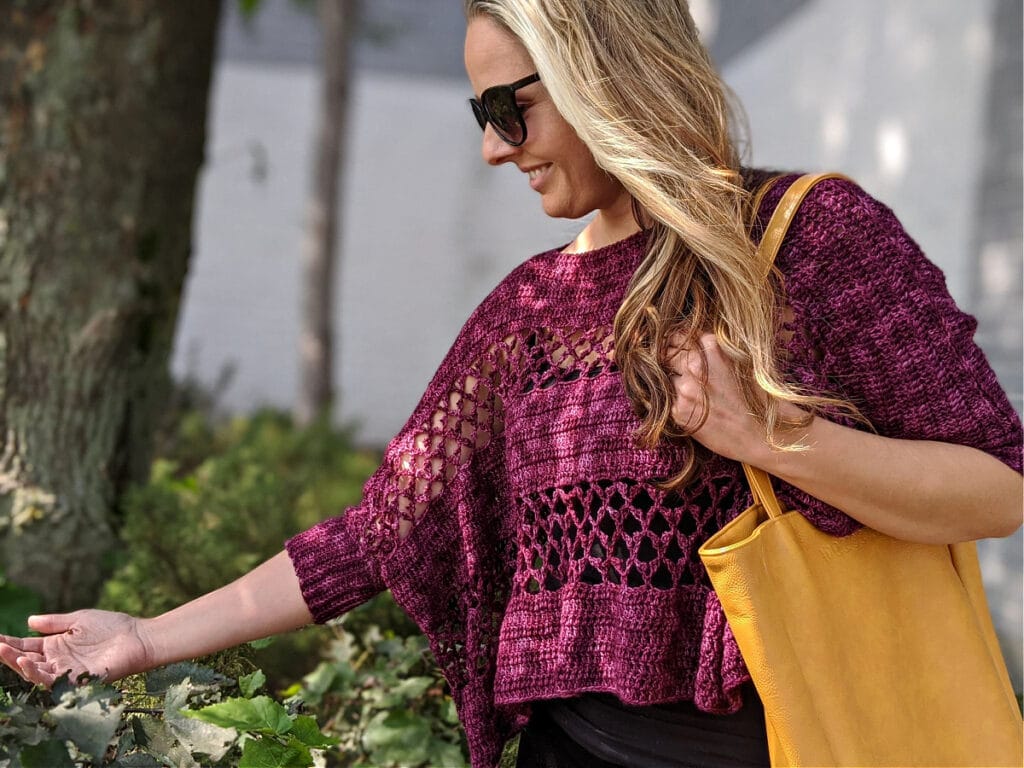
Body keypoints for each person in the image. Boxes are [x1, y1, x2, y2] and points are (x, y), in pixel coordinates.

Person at [2, 1, 1022, 766]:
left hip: (797, 743)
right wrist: (147, 636)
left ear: (602, 75)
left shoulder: (811, 242)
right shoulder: (528, 314)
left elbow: (996, 487)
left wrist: (774, 442)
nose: (494, 148)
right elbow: (374, 532)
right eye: (477, 114)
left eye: (509, 108)